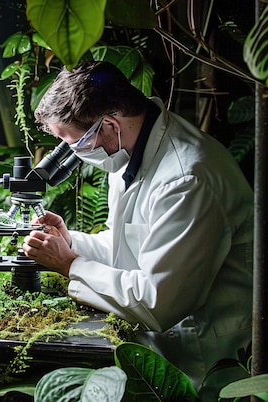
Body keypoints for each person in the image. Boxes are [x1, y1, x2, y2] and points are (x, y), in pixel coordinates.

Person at [22, 61, 253, 399]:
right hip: (161, 350)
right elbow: (128, 248)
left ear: (109, 125)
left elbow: (158, 301)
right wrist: (69, 242)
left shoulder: (187, 177)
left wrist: (70, 264)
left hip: (204, 360)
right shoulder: (130, 154)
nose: (74, 154)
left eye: (74, 143)